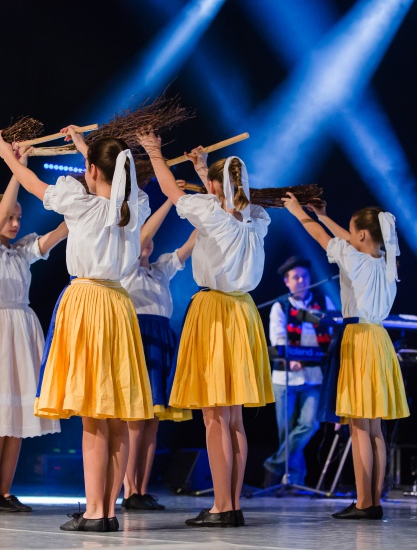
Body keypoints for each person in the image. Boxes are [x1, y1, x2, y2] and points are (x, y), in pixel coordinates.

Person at [0, 126, 152, 533]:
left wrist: (8, 156)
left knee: (93, 417)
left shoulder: (80, 203)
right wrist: (85, 148)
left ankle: (96, 511)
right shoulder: (134, 206)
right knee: (114, 415)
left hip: (88, 303)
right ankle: (107, 510)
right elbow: (107, 180)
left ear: (92, 170)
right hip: (119, 305)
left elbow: (35, 185)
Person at [138, 135, 273, 528]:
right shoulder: (256, 219)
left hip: (215, 312)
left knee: (215, 417)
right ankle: (232, 504)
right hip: (243, 312)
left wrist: (153, 150)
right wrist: (203, 169)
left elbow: (170, 189)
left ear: (214, 186)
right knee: (233, 419)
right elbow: (223, 200)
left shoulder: (212, 213)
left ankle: (221, 505)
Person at [282, 197, 409, 520]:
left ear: (362, 235)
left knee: (359, 427)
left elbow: (322, 238)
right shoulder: (386, 261)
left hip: (359, 340)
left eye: (353, 232)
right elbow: (346, 240)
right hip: (379, 340)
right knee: (374, 427)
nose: (349, 237)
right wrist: (324, 215)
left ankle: (364, 502)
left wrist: (297, 211)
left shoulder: (355, 259)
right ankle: (373, 500)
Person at [0, 148, 67, 513]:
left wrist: (81, 207)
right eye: (10, 217)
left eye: (19, 218)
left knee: (18, 416)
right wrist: (16, 168)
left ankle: (5, 492)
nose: (16, 222)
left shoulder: (20, 252)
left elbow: (55, 236)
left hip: (23, 327)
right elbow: (4, 209)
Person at [120, 198, 197, 511]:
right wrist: (169, 200)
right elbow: (140, 238)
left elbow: (189, 246)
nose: (147, 241)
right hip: (138, 339)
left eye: (150, 238)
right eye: (143, 236)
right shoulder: (125, 267)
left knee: (153, 419)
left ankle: (141, 488)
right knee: (136, 419)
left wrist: (209, 213)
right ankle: (128, 489)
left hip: (162, 339)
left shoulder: (161, 269)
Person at [263, 256, 336, 491]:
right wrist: (290, 358)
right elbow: (278, 338)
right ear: (287, 282)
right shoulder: (280, 306)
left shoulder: (323, 302)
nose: (302, 281)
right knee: (286, 431)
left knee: (309, 425)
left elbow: (333, 331)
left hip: (314, 376)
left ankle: (273, 466)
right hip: (285, 377)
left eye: (305, 276)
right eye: (296, 277)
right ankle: (294, 481)